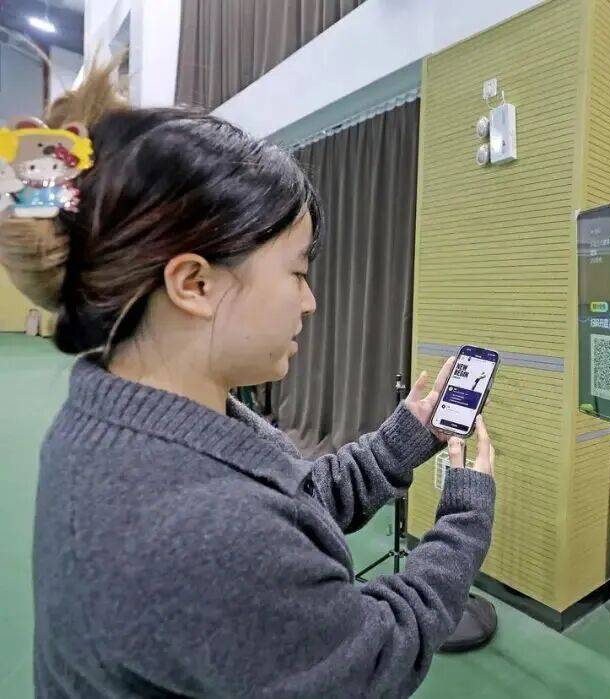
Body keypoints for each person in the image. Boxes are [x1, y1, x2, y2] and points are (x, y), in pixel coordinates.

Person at [2, 66, 496, 698]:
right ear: (195, 284)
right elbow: (374, 657)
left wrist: (407, 438)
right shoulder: (203, 534)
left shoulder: (146, 415)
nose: (310, 302)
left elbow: (296, 499)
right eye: (297, 273)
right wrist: (465, 516)